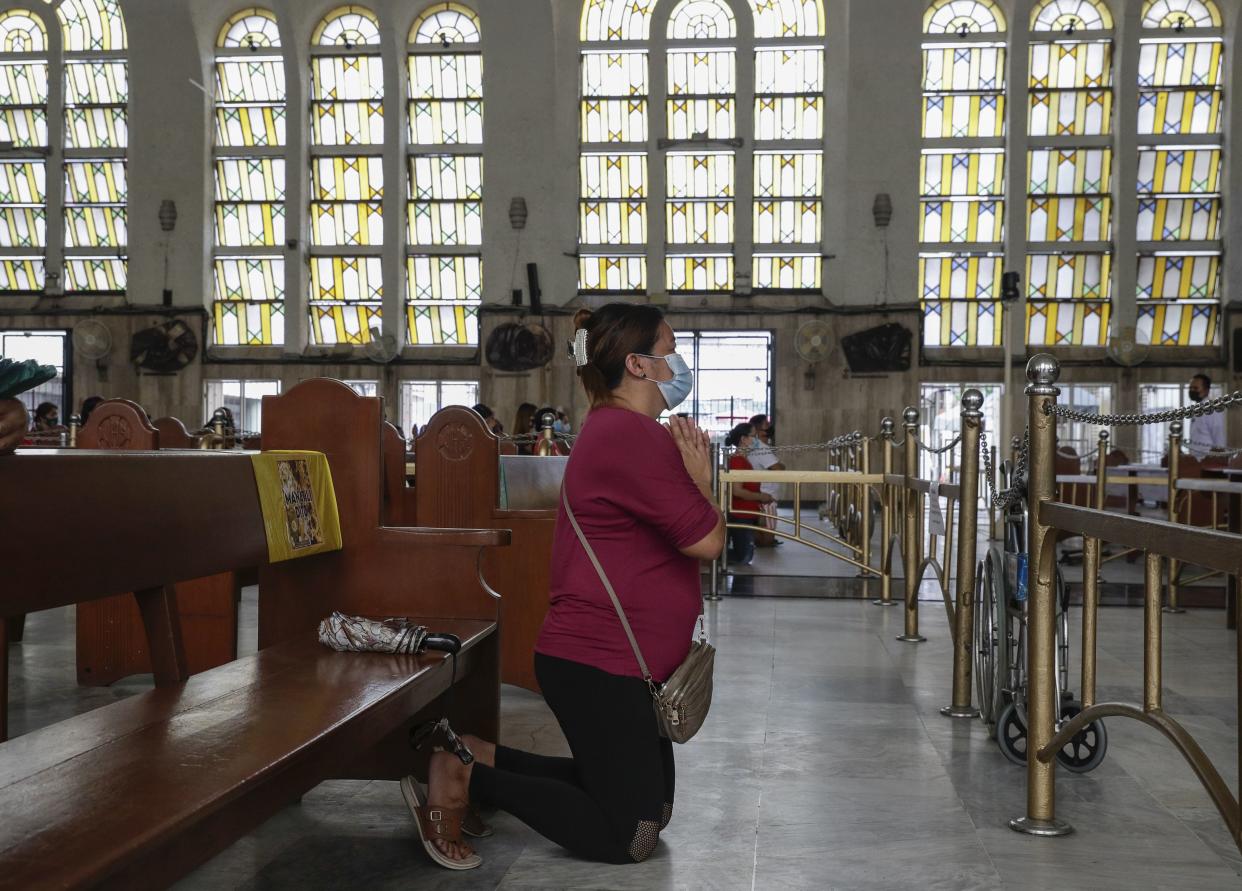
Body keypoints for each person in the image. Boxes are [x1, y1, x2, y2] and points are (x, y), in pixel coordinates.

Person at [402, 302, 724, 870]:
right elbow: (708, 540)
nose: (678, 362)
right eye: (670, 350)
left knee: (656, 809)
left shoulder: (622, 429)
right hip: (601, 660)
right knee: (630, 834)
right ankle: (465, 776)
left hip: (623, 663)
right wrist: (702, 482)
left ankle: (472, 752)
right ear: (638, 365)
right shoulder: (630, 436)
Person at [725, 422, 776, 565]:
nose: (757, 441)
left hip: (746, 513)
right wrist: (762, 497)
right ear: (743, 439)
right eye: (753, 436)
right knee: (744, 557)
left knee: (746, 555)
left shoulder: (744, 460)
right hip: (741, 514)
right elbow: (737, 491)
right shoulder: (738, 461)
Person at [747, 414, 785, 546]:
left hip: (762, 494)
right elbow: (778, 468)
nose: (769, 427)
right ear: (757, 430)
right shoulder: (761, 448)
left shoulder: (756, 447)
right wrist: (780, 465)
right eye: (766, 425)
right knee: (766, 539)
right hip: (765, 496)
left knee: (765, 532)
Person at [1187, 374, 1226, 459]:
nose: (1192, 390)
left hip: (1208, 461)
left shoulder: (1212, 409)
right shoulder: (1196, 409)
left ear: (1206, 390)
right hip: (1195, 461)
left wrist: (1216, 459)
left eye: (1196, 388)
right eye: (1190, 388)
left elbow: (1219, 438)